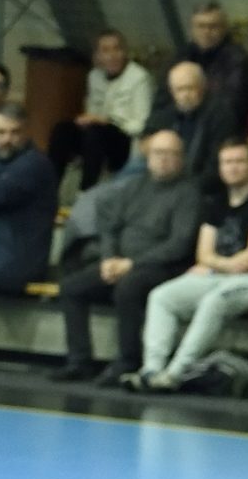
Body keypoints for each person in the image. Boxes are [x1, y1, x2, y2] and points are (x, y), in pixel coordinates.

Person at [133, 137, 248, 391]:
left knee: (214, 301)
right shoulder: (216, 201)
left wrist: (215, 265)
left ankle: (175, 373)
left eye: (239, 161)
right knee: (161, 296)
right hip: (219, 275)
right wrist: (218, 265)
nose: (233, 167)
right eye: (227, 162)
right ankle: (151, 370)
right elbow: (203, 254)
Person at [52, 128, 201, 383]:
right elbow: (110, 227)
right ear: (148, 156)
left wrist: (131, 264)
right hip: (121, 262)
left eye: (170, 153)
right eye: (158, 153)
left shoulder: (189, 194)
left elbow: (179, 244)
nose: (163, 159)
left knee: (128, 287)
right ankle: (79, 360)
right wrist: (109, 258)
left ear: (181, 158)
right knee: (71, 288)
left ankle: (128, 360)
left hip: (164, 266)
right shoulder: (133, 187)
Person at [49, 31, 152, 189]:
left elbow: (142, 124)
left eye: (117, 49)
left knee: (94, 133)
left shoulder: (139, 77)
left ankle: (86, 191)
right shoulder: (94, 76)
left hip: (125, 140)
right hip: (96, 136)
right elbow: (92, 112)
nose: (112, 56)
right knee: (62, 130)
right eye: (105, 50)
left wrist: (107, 122)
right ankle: (50, 189)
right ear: (97, 56)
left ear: (125, 52)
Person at [0, 104, 58, 302]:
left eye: (15, 132)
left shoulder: (35, 164)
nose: (7, 139)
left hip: (11, 264)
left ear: (27, 132)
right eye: (0, 132)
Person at [142, 60, 240, 184]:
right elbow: (145, 140)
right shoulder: (165, 115)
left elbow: (215, 164)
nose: (185, 95)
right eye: (179, 90)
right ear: (171, 91)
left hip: (201, 183)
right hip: (164, 180)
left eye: (190, 88)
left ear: (202, 87)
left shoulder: (220, 116)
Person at [175, 2, 248, 136]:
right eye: (201, 26)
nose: (206, 32)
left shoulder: (237, 59)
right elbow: (164, 98)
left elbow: (232, 104)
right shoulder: (182, 56)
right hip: (184, 126)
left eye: (213, 26)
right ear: (192, 29)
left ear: (224, 28)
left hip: (223, 131)